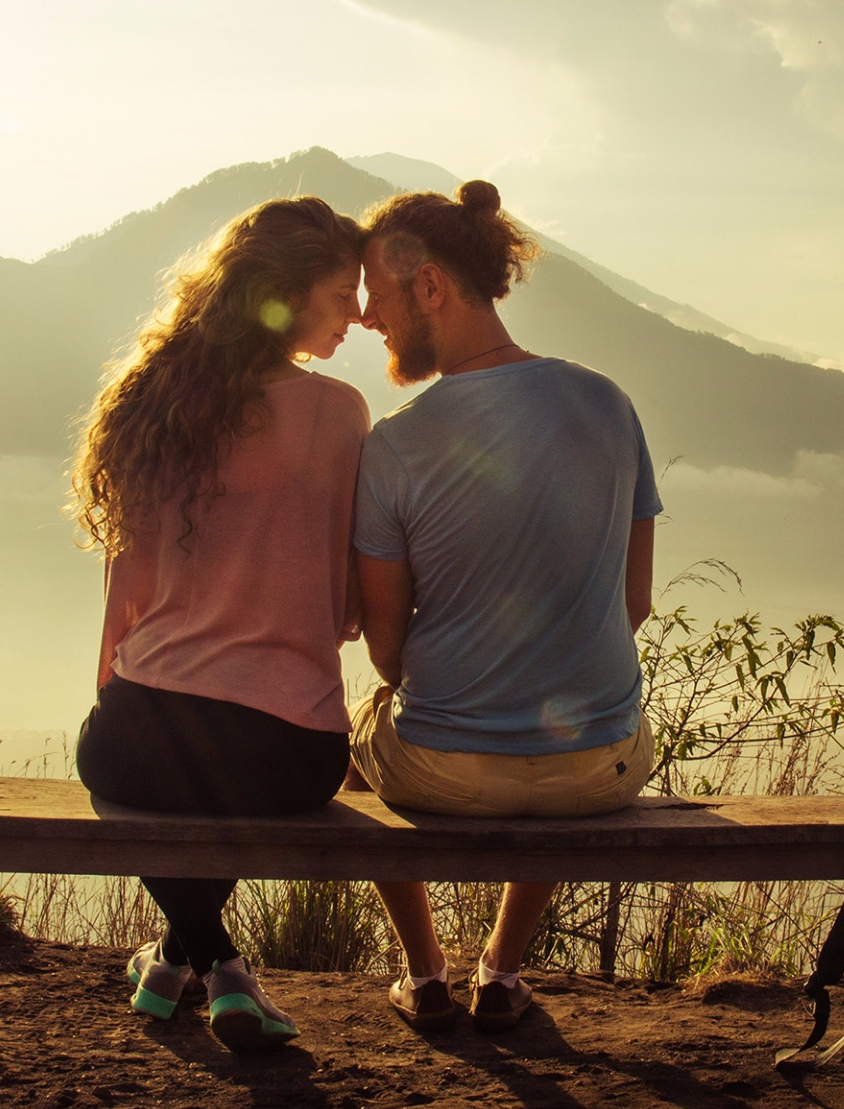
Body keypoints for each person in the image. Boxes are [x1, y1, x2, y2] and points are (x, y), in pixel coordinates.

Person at [348, 179, 661, 1032]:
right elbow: (631, 605)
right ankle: (502, 968)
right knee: (569, 713)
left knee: (351, 737)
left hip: (444, 770)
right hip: (601, 770)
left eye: (376, 295)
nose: (369, 318)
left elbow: (386, 655)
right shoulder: (609, 401)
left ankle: (424, 974)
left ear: (431, 287)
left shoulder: (396, 442)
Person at [69, 196, 370, 1054]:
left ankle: (181, 958)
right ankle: (228, 971)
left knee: (175, 782)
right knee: (217, 779)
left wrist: (113, 696)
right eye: (341, 292)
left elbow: (125, 584)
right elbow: (346, 599)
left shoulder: (153, 401)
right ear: (285, 291)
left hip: (140, 730)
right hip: (289, 750)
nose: (355, 313)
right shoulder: (337, 411)